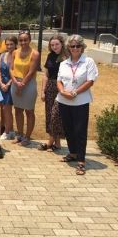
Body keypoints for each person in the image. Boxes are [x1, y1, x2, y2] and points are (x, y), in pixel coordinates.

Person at [57, 35, 98, 176]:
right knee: (68, 128)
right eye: (72, 46)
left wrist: (74, 93)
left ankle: (81, 161)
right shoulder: (64, 63)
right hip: (64, 101)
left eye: (77, 46)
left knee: (80, 131)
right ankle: (73, 153)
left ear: (82, 47)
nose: (75, 48)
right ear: (68, 47)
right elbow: (59, 80)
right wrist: (62, 91)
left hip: (80, 102)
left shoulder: (88, 62)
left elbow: (90, 81)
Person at [10, 30, 40, 146]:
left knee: (29, 111)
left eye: (25, 40)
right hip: (15, 82)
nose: (23, 42)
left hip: (28, 83)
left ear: (29, 40)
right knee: (17, 110)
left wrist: (22, 84)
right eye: (21, 40)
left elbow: (32, 71)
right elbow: (11, 69)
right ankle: (20, 135)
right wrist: (15, 82)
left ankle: (27, 137)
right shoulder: (14, 52)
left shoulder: (35, 53)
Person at [39, 35, 67, 151]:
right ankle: (58, 144)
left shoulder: (66, 57)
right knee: (50, 114)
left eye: (57, 44)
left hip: (62, 87)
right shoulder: (50, 56)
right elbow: (46, 74)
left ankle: (50, 142)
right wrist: (43, 91)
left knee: (57, 115)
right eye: (52, 45)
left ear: (62, 44)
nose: (54, 47)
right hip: (50, 86)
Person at [0, 36, 18, 140]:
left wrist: (8, 84)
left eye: (11, 44)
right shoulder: (2, 55)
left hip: (12, 84)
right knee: (5, 109)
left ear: (15, 45)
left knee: (7, 109)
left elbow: (15, 72)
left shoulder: (17, 55)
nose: (9, 46)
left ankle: (7, 132)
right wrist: (0, 83)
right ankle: (12, 130)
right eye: (7, 44)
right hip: (2, 85)